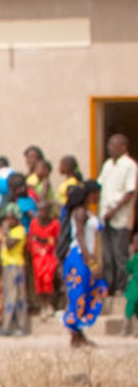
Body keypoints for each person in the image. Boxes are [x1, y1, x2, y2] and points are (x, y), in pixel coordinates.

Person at [61, 181, 107, 348]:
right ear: (90, 194)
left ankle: (78, 332)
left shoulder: (89, 212)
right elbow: (80, 238)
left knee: (89, 291)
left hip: (87, 256)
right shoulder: (80, 212)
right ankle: (75, 334)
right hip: (80, 257)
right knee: (78, 294)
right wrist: (91, 262)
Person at [100, 134, 136, 299]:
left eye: (114, 145)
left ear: (123, 146)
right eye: (109, 144)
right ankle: (110, 286)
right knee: (107, 254)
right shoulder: (108, 165)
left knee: (120, 253)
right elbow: (101, 185)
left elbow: (130, 192)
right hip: (105, 215)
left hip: (120, 217)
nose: (110, 147)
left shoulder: (130, 166)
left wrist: (114, 210)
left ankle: (122, 287)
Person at [0, 192, 29, 336]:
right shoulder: (12, 230)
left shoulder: (19, 231)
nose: (7, 220)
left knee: (17, 297)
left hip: (15, 266)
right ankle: (8, 325)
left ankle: (17, 326)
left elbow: (10, 245)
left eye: (10, 217)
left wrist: (5, 231)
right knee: (10, 296)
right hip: (8, 266)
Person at [27, 201, 64, 314]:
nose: (41, 213)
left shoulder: (54, 224)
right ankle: (43, 305)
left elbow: (58, 240)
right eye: (39, 210)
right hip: (37, 257)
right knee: (39, 281)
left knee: (49, 279)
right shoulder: (34, 223)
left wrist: (58, 255)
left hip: (50, 256)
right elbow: (31, 240)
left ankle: (50, 304)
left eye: (44, 210)